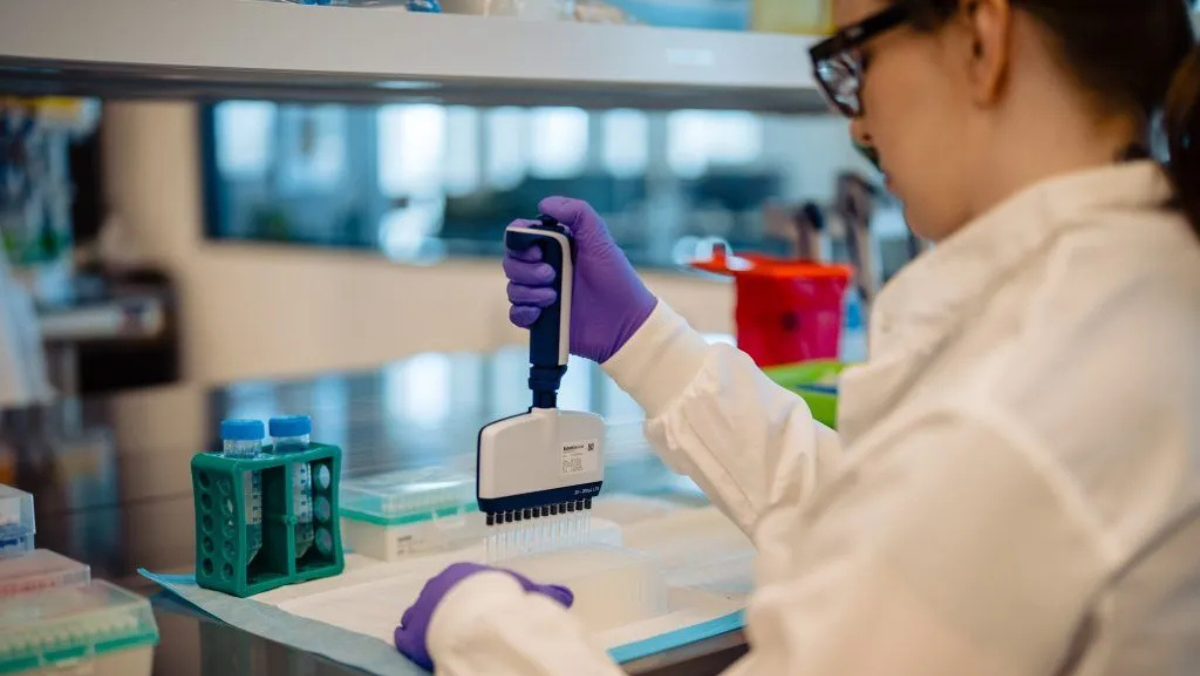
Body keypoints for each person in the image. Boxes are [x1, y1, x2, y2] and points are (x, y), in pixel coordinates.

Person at [395, 0, 1200, 673]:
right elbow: (893, 519)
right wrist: (647, 342)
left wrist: (486, 630)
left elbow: (957, 489)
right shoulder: (1141, 288)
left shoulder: (1017, 402)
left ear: (983, 40)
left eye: (855, 62)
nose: (857, 125)